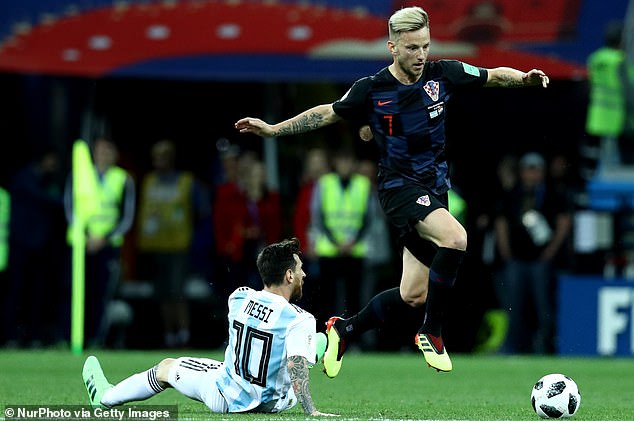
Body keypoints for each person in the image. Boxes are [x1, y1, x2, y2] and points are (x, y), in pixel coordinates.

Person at [235, 5, 549, 374]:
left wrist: (524, 78)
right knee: (456, 238)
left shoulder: (443, 74)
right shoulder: (371, 89)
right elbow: (327, 112)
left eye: (425, 46)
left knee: (413, 294)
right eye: (412, 47)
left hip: (435, 190)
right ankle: (432, 333)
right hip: (399, 188)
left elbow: (492, 76)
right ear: (393, 47)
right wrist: (274, 129)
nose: (421, 55)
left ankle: (344, 330)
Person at [82, 237, 336, 417]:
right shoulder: (300, 319)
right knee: (297, 352)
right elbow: (295, 365)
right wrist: (311, 411)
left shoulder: (239, 298)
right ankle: (314, 348)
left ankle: (105, 397)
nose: (304, 274)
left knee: (166, 368)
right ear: (289, 275)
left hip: (227, 396)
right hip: (275, 402)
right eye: (300, 269)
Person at [493, 152, 573, 354]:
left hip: (540, 260)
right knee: (513, 304)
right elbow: (501, 222)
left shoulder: (552, 194)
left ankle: (545, 346)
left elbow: (564, 223)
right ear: (522, 172)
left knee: (543, 305)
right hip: (517, 259)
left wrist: (550, 251)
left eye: (536, 169)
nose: (532, 174)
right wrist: (506, 251)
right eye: (529, 169)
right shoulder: (514, 194)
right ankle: (514, 346)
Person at [136, 139, 210, 348]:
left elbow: (202, 210)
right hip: (156, 245)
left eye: (161, 157)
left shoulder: (186, 181)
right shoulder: (149, 181)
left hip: (179, 246)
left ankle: (184, 336)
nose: (157, 162)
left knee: (178, 293)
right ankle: (168, 337)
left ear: (170, 159)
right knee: (163, 294)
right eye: (155, 158)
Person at [64, 137, 136, 348]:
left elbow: (127, 216)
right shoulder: (78, 174)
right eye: (100, 151)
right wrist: (85, 235)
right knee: (73, 292)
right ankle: (68, 338)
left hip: (107, 246)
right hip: (80, 244)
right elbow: (69, 206)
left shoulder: (123, 178)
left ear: (115, 155)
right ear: (93, 154)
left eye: (108, 151)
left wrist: (104, 238)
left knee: (101, 294)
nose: (103, 155)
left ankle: (96, 340)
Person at [309, 147, 372, 324]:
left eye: (348, 161)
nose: (345, 165)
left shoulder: (363, 184)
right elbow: (318, 216)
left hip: (354, 250)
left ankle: (352, 335)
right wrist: (336, 242)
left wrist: (353, 242)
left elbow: (368, 218)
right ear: (335, 163)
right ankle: (326, 331)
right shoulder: (324, 183)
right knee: (327, 297)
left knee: (354, 298)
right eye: (342, 161)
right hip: (330, 250)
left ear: (353, 164)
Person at [584, 20, 628, 176]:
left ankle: (590, 179)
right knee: (612, 162)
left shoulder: (594, 59)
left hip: (596, 114)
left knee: (593, 155)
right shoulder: (622, 60)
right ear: (621, 40)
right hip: (616, 116)